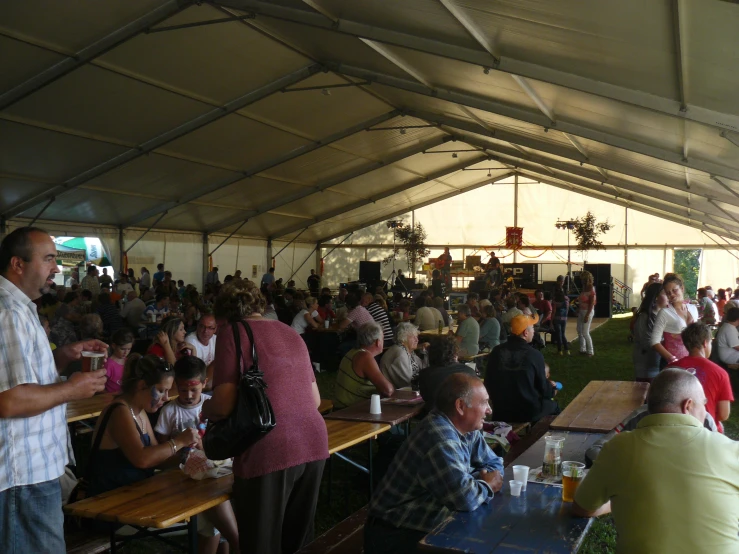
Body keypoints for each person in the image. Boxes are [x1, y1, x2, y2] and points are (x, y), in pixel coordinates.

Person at [0, 227, 108, 553]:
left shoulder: (20, 308)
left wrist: (62, 357)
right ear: (18, 264)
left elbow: (24, 381)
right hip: (24, 475)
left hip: (32, 471)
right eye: (48, 259)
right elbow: (9, 401)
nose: (56, 268)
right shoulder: (8, 313)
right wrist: (71, 390)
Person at [202, 280, 329, 554]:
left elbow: (223, 406)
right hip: (314, 441)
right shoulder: (289, 331)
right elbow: (315, 400)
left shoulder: (233, 333)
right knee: (298, 541)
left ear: (224, 314)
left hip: (271, 447)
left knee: (261, 543)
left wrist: (205, 409)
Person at [573, 368, 739, 554]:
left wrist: (616, 502)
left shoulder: (618, 447)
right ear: (688, 405)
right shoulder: (732, 450)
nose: (706, 411)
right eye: (704, 404)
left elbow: (582, 507)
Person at [364, 373, 503, 554]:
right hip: (394, 534)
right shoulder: (439, 438)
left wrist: (475, 482)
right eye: (484, 402)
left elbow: (494, 462)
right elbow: (465, 499)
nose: (489, 410)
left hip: (424, 521)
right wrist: (488, 484)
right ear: (460, 406)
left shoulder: (466, 427)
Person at [154, 357, 239, 554]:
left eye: (194, 389)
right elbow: (162, 450)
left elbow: (226, 440)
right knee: (213, 501)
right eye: (183, 390)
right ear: (176, 386)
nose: (189, 395)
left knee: (215, 497)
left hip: (217, 471)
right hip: (182, 476)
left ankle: (231, 543)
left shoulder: (213, 405)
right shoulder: (170, 412)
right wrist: (181, 449)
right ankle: (235, 542)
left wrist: (205, 445)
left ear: (204, 383)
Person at [86, 355, 198, 497]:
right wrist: (180, 441)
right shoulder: (120, 411)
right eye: (161, 390)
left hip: (132, 494)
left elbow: (156, 459)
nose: (166, 398)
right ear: (141, 385)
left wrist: (189, 455)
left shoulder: (140, 412)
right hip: (109, 499)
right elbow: (142, 459)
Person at [485, 313, 560, 423]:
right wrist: (553, 390)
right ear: (525, 333)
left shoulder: (496, 351)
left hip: (500, 410)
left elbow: (488, 382)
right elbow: (543, 388)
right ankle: (539, 437)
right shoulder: (534, 355)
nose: (534, 331)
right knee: (554, 406)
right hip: (527, 411)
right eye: (533, 328)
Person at [670, 322, 733, 433]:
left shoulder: (669, 369)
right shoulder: (720, 373)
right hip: (706, 431)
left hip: (675, 428)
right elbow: (724, 415)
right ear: (705, 343)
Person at [334, 322, 394, 409]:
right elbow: (387, 390)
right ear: (378, 342)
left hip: (342, 408)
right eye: (383, 338)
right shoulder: (365, 357)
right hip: (350, 411)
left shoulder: (353, 352)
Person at [418, 335, 476, 411]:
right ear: (455, 353)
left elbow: (425, 398)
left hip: (436, 417)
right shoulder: (469, 371)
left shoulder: (425, 374)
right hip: (464, 416)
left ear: (431, 353)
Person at [651, 274, 698, 364]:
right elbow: (654, 342)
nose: (671, 294)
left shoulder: (693, 308)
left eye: (674, 290)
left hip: (692, 360)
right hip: (672, 362)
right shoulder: (665, 313)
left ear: (682, 288)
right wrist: (671, 358)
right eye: (668, 293)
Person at [632, 282, 669, 382]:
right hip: (647, 369)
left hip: (660, 366)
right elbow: (647, 343)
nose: (669, 296)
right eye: (665, 293)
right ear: (656, 297)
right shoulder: (645, 318)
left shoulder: (662, 315)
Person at [380, 322, 428, 389]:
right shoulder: (400, 353)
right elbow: (407, 382)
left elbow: (424, 369)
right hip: (397, 394)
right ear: (402, 338)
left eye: (416, 336)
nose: (417, 340)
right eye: (412, 337)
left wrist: (424, 352)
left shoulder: (408, 351)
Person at [185, 313, 217, 386]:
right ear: (197, 326)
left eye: (210, 328)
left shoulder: (215, 339)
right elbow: (193, 373)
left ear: (215, 329)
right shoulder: (190, 341)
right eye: (202, 326)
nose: (205, 331)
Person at [105, 329, 134, 394]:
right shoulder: (109, 364)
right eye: (123, 349)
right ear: (114, 346)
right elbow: (100, 386)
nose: (126, 352)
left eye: (129, 349)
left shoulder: (128, 361)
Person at [577, 270, 596, 356]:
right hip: (581, 311)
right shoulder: (584, 288)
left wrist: (587, 315)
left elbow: (591, 303)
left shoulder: (591, 288)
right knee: (579, 330)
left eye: (583, 279)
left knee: (585, 332)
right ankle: (582, 349)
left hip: (587, 311)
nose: (581, 281)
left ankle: (590, 351)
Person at [551, 288, 570, 355]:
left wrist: (551, 322)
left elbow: (553, 312)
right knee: (563, 334)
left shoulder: (555, 302)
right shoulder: (566, 301)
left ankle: (559, 351)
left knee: (558, 335)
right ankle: (567, 350)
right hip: (564, 319)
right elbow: (567, 310)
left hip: (557, 319)